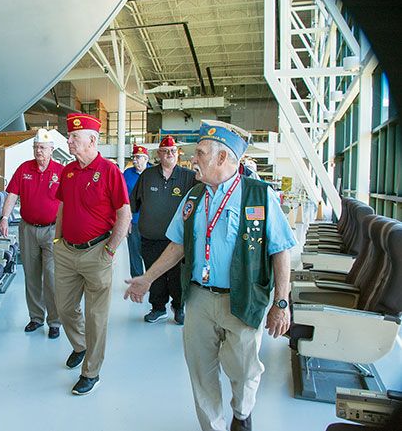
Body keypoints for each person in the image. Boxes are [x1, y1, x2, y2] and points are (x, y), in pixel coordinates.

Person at [124, 119, 297, 431]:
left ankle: (242, 413)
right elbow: (177, 245)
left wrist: (281, 303)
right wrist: (147, 277)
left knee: (245, 371)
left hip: (243, 299)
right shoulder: (193, 198)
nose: (193, 159)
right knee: (201, 371)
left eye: (200, 153)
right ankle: (214, 426)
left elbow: (280, 249)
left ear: (222, 158)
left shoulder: (258, 196)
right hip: (200, 298)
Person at [54, 112, 131, 396]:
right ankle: (79, 344)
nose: (70, 141)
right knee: (64, 308)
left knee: (96, 316)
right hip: (66, 252)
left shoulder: (110, 171)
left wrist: (111, 250)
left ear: (92, 139)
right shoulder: (68, 171)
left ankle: (91, 371)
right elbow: (62, 207)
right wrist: (57, 240)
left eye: (74, 137)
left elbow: (125, 213)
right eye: (70, 137)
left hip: (98, 252)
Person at [0, 128, 64, 339]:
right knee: (32, 276)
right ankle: (36, 317)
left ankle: (54, 321)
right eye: (36, 147)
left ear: (52, 150)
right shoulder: (24, 169)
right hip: (27, 229)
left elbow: (68, 202)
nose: (39, 151)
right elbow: (12, 195)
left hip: (52, 230)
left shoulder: (61, 171)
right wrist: (5, 217)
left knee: (52, 277)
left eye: (43, 148)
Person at [130, 135, 197, 325]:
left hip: (177, 241)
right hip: (151, 238)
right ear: (159, 154)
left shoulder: (189, 177)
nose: (169, 154)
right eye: (165, 151)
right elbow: (133, 202)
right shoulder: (147, 176)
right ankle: (158, 308)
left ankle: (178, 307)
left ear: (178, 153)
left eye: (173, 151)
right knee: (154, 274)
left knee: (177, 276)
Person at [123, 144, 150, 278]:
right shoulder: (127, 174)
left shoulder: (154, 173)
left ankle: (151, 280)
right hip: (133, 220)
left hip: (152, 222)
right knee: (134, 252)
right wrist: (125, 221)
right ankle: (137, 280)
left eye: (138, 157)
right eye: (134, 157)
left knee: (150, 252)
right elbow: (123, 199)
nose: (135, 160)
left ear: (146, 159)